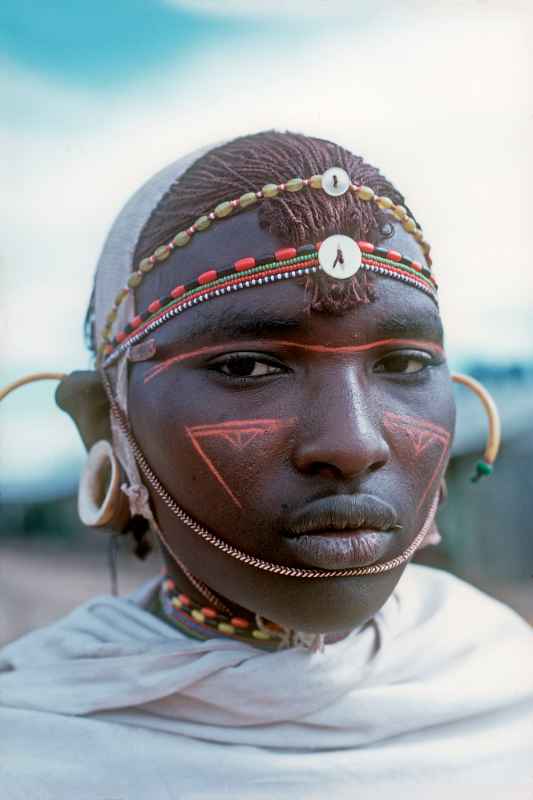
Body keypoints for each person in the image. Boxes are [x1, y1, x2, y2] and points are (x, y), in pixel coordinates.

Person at [1, 131, 532, 798]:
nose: (353, 445)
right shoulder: (28, 751)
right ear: (107, 423)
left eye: (403, 363)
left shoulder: (507, 682)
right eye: (248, 367)